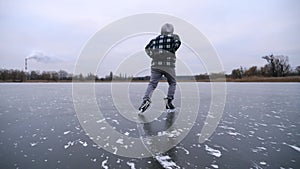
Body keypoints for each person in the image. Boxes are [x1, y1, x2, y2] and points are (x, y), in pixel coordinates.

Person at [138, 23, 181, 113]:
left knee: (152, 84)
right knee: (172, 83)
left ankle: (146, 100)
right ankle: (169, 101)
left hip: (155, 65)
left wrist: (153, 55)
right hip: (168, 65)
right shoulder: (174, 37)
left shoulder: (155, 40)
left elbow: (147, 49)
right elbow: (178, 43)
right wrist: (171, 51)